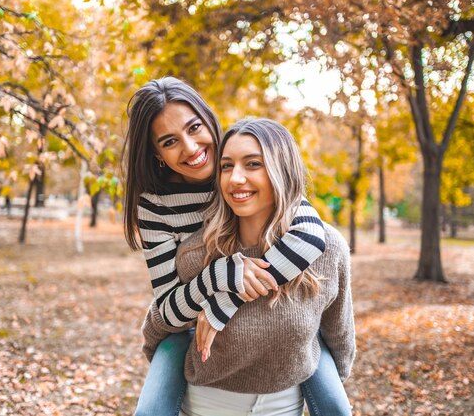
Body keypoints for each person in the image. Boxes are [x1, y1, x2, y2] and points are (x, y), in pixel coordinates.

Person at [123, 77, 351, 415]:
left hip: (274, 318)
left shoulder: (239, 159)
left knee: (334, 405)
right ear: (156, 152)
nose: (190, 148)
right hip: (186, 322)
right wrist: (222, 275)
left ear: (209, 120)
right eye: (170, 141)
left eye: (194, 127)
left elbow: (312, 236)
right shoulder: (155, 204)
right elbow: (168, 308)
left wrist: (225, 302)